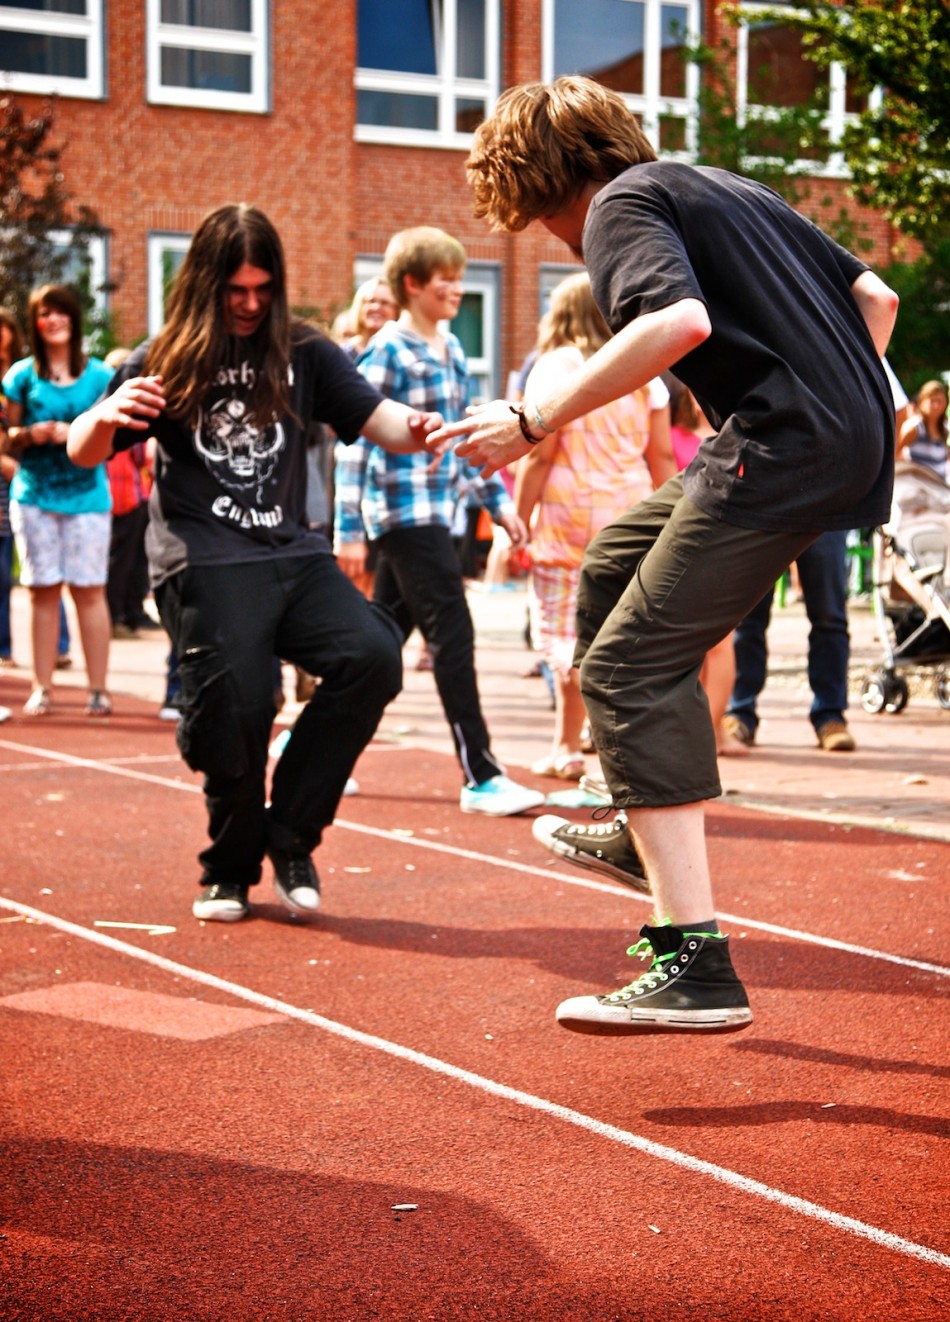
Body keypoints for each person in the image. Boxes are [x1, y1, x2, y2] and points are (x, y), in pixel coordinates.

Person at [429, 75, 898, 1034]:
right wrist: (841, 399)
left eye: (531, 216)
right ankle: (626, 806)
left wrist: (533, 416)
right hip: (825, 438)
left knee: (628, 663)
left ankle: (696, 966)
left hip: (780, 445)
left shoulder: (617, 206)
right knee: (612, 562)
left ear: (540, 179)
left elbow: (673, 324)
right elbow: (875, 296)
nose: (554, 242)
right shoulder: (726, 187)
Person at [67, 202, 444, 924]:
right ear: (206, 285)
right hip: (201, 559)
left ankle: (291, 831)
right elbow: (83, 450)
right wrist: (102, 418)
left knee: (373, 656)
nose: (248, 304)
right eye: (234, 290)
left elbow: (380, 422)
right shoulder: (163, 359)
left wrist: (423, 430)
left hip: (292, 552)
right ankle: (230, 864)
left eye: (261, 290)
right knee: (237, 707)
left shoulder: (303, 351)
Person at [334, 225, 544, 817]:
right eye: (445, 280)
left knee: (382, 640)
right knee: (453, 633)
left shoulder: (450, 349)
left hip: (441, 510)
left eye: (458, 276)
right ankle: (481, 773)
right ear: (412, 285)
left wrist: (499, 505)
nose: (457, 288)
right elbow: (353, 445)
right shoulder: (386, 351)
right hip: (400, 513)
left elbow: (463, 440)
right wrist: (347, 530)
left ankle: (312, 739)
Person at [515, 271, 675, 780]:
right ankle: (614, 747)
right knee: (614, 629)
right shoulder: (641, 371)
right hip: (629, 508)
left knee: (565, 630)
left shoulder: (555, 367)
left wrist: (517, 520)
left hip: (568, 511)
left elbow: (539, 454)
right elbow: (662, 454)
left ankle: (566, 745)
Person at [1, 285, 114, 717]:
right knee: (41, 590)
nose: (54, 320)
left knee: (89, 590)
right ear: (35, 321)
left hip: (88, 495)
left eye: (61, 312)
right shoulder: (20, 377)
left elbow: (114, 441)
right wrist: (32, 433)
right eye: (45, 314)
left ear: (74, 318)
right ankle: (42, 687)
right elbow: (6, 441)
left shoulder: (102, 376)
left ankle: (98, 689)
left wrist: (80, 433)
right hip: (34, 495)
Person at [665, 374, 748, 758]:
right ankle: (701, 729)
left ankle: (712, 731)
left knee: (720, 641)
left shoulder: (738, 441)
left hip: (723, 544)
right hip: (684, 540)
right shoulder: (676, 437)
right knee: (690, 644)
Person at [722, 530, 856, 753]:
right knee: (746, 618)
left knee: (829, 616)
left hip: (826, 509)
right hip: (762, 509)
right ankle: (740, 712)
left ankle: (831, 716)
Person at [898, 379, 949, 481]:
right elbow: (896, 452)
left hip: (939, 484)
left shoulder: (944, 428)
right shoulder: (914, 428)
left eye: (940, 401)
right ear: (921, 401)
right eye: (932, 401)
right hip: (919, 487)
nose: (936, 406)